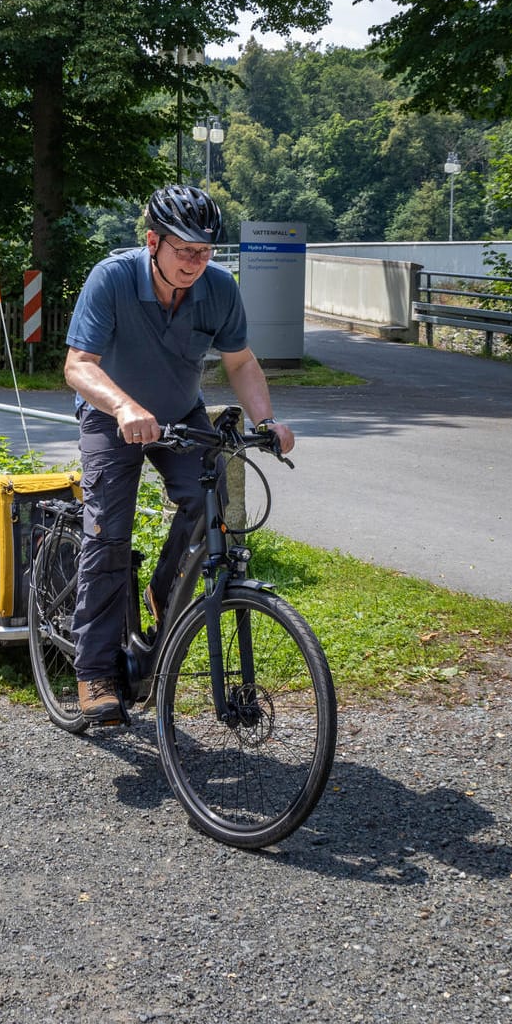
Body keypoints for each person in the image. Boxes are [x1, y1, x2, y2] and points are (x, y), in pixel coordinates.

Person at [62, 185, 295, 724]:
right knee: (109, 532)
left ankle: (163, 594)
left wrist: (266, 422)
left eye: (205, 251)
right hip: (111, 414)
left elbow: (240, 362)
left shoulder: (218, 289)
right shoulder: (113, 278)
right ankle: (94, 671)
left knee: (203, 503)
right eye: (184, 250)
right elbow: (78, 365)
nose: (195, 261)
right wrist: (122, 408)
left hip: (180, 412)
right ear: (153, 242)